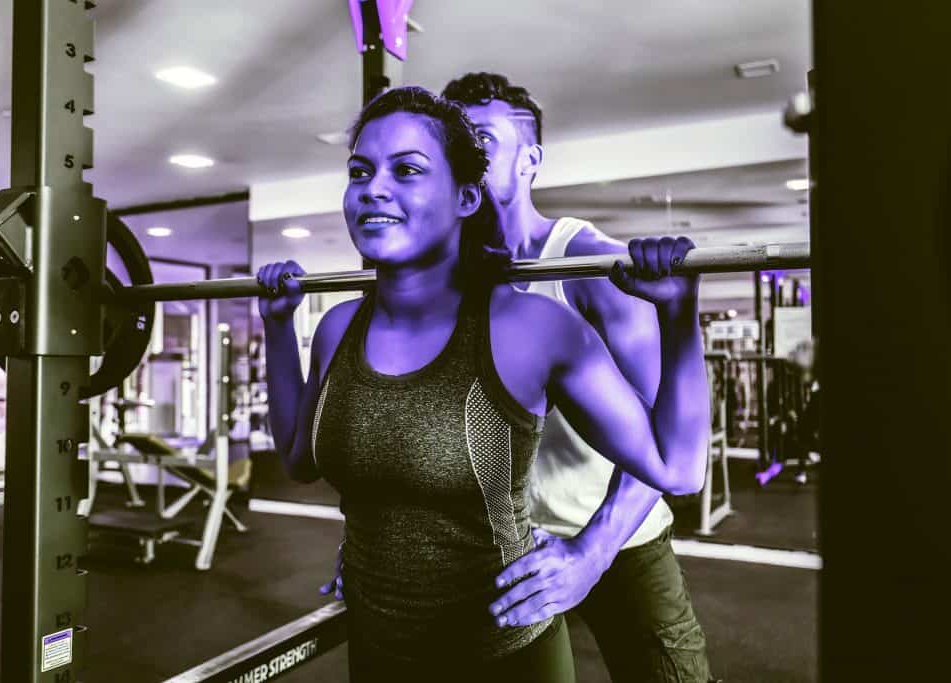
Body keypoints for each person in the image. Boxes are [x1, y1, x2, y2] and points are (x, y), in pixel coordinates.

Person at [259, 86, 710, 681]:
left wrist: (680, 319)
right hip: (381, 645)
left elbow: (678, 468)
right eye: (359, 171)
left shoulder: (540, 316)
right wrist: (276, 330)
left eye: (409, 169)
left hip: (537, 614)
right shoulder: (339, 326)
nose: (373, 188)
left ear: (467, 194)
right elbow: (299, 459)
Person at [439, 72, 715, 682]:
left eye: (482, 140)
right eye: (454, 143)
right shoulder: (453, 282)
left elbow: (666, 444)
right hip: (503, 548)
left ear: (530, 159)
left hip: (619, 539)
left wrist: (592, 553)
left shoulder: (588, 263)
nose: (467, 157)